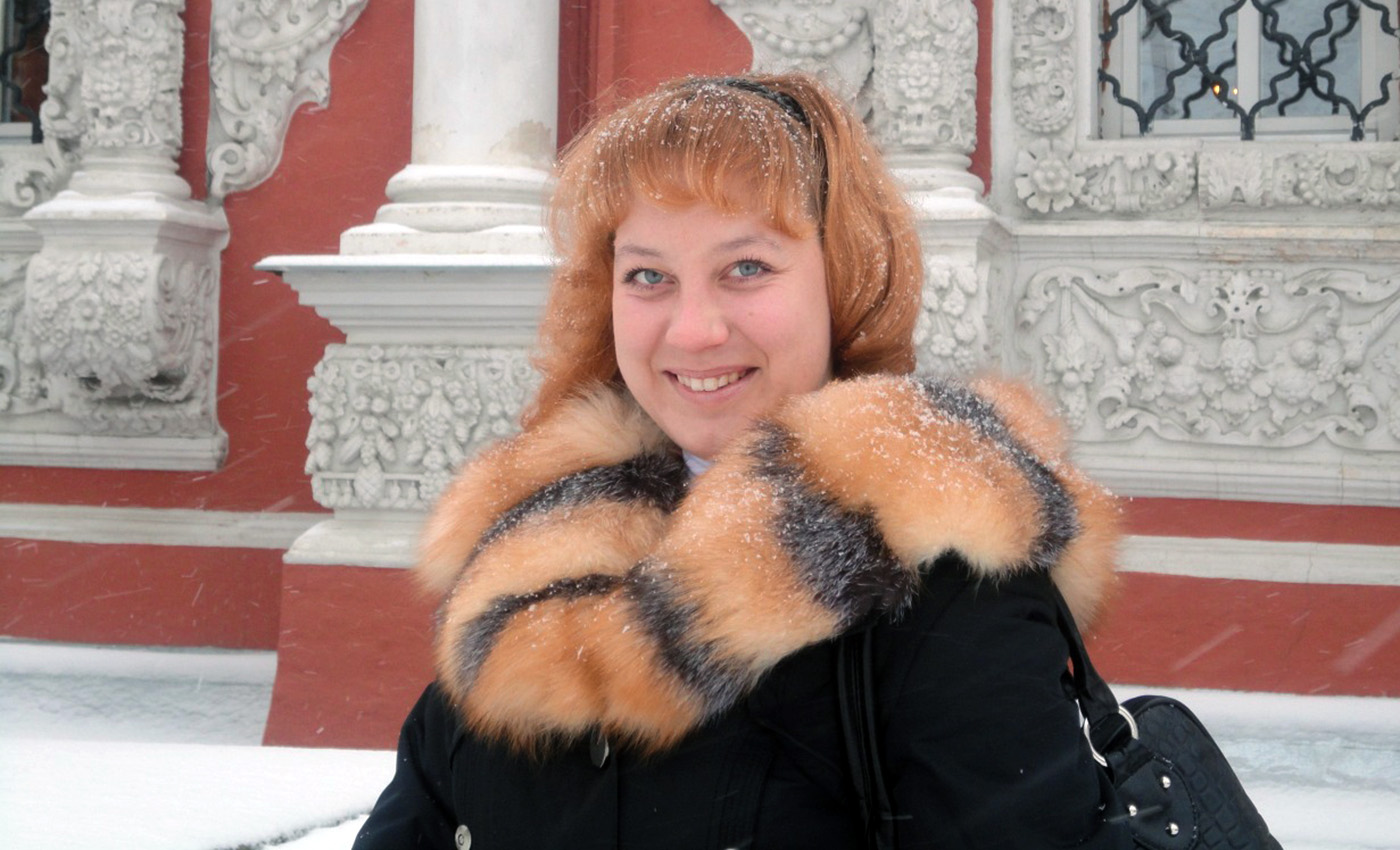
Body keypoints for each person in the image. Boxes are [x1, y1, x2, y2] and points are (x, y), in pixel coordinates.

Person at [353, 73, 1128, 849]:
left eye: (747, 267)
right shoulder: (531, 560)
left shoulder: (938, 582)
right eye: (648, 276)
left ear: (843, 279)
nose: (693, 331)